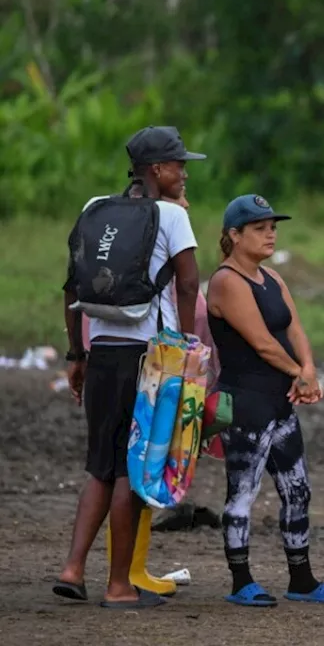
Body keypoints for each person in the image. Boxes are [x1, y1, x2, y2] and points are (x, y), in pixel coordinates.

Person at [54, 125, 204, 609]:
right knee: (133, 471)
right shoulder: (171, 217)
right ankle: (118, 585)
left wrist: (77, 355)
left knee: (99, 466)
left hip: (102, 354)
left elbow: (72, 288)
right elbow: (187, 283)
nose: (184, 173)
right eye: (179, 165)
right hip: (151, 359)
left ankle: (73, 568)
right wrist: (184, 348)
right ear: (157, 170)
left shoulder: (96, 209)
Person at [206, 194, 324, 607]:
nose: (270, 234)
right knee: (243, 492)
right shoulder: (226, 281)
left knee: (298, 490)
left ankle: (301, 579)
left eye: (273, 227)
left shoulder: (272, 278)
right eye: (259, 228)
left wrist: (309, 370)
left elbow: (294, 328)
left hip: (280, 400)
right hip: (245, 402)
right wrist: (298, 374)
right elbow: (263, 343)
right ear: (234, 235)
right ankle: (240, 580)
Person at [92, 184, 221, 599]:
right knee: (137, 468)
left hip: (115, 359)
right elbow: (189, 300)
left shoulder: (117, 260)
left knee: (115, 469)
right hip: (160, 367)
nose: (186, 202)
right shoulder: (164, 247)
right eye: (181, 196)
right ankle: (124, 576)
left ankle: (107, 570)